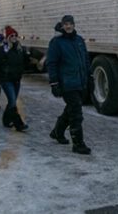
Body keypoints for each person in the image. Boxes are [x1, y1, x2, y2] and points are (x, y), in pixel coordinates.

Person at [46, 15, 92, 155]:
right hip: (67, 83)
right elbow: (51, 64)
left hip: (79, 81)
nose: (68, 26)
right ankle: (78, 143)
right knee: (76, 113)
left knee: (71, 108)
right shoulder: (57, 42)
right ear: (62, 26)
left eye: (70, 24)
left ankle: (57, 131)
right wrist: (54, 83)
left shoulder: (79, 40)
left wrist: (89, 77)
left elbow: (85, 59)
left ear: (74, 25)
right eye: (65, 24)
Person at [0, 25, 29, 131]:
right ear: (8, 37)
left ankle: (6, 120)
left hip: (16, 79)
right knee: (12, 101)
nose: (14, 37)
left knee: (11, 101)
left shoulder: (19, 49)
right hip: (6, 79)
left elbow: (23, 62)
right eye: (11, 35)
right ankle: (19, 124)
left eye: (15, 35)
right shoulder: (4, 49)